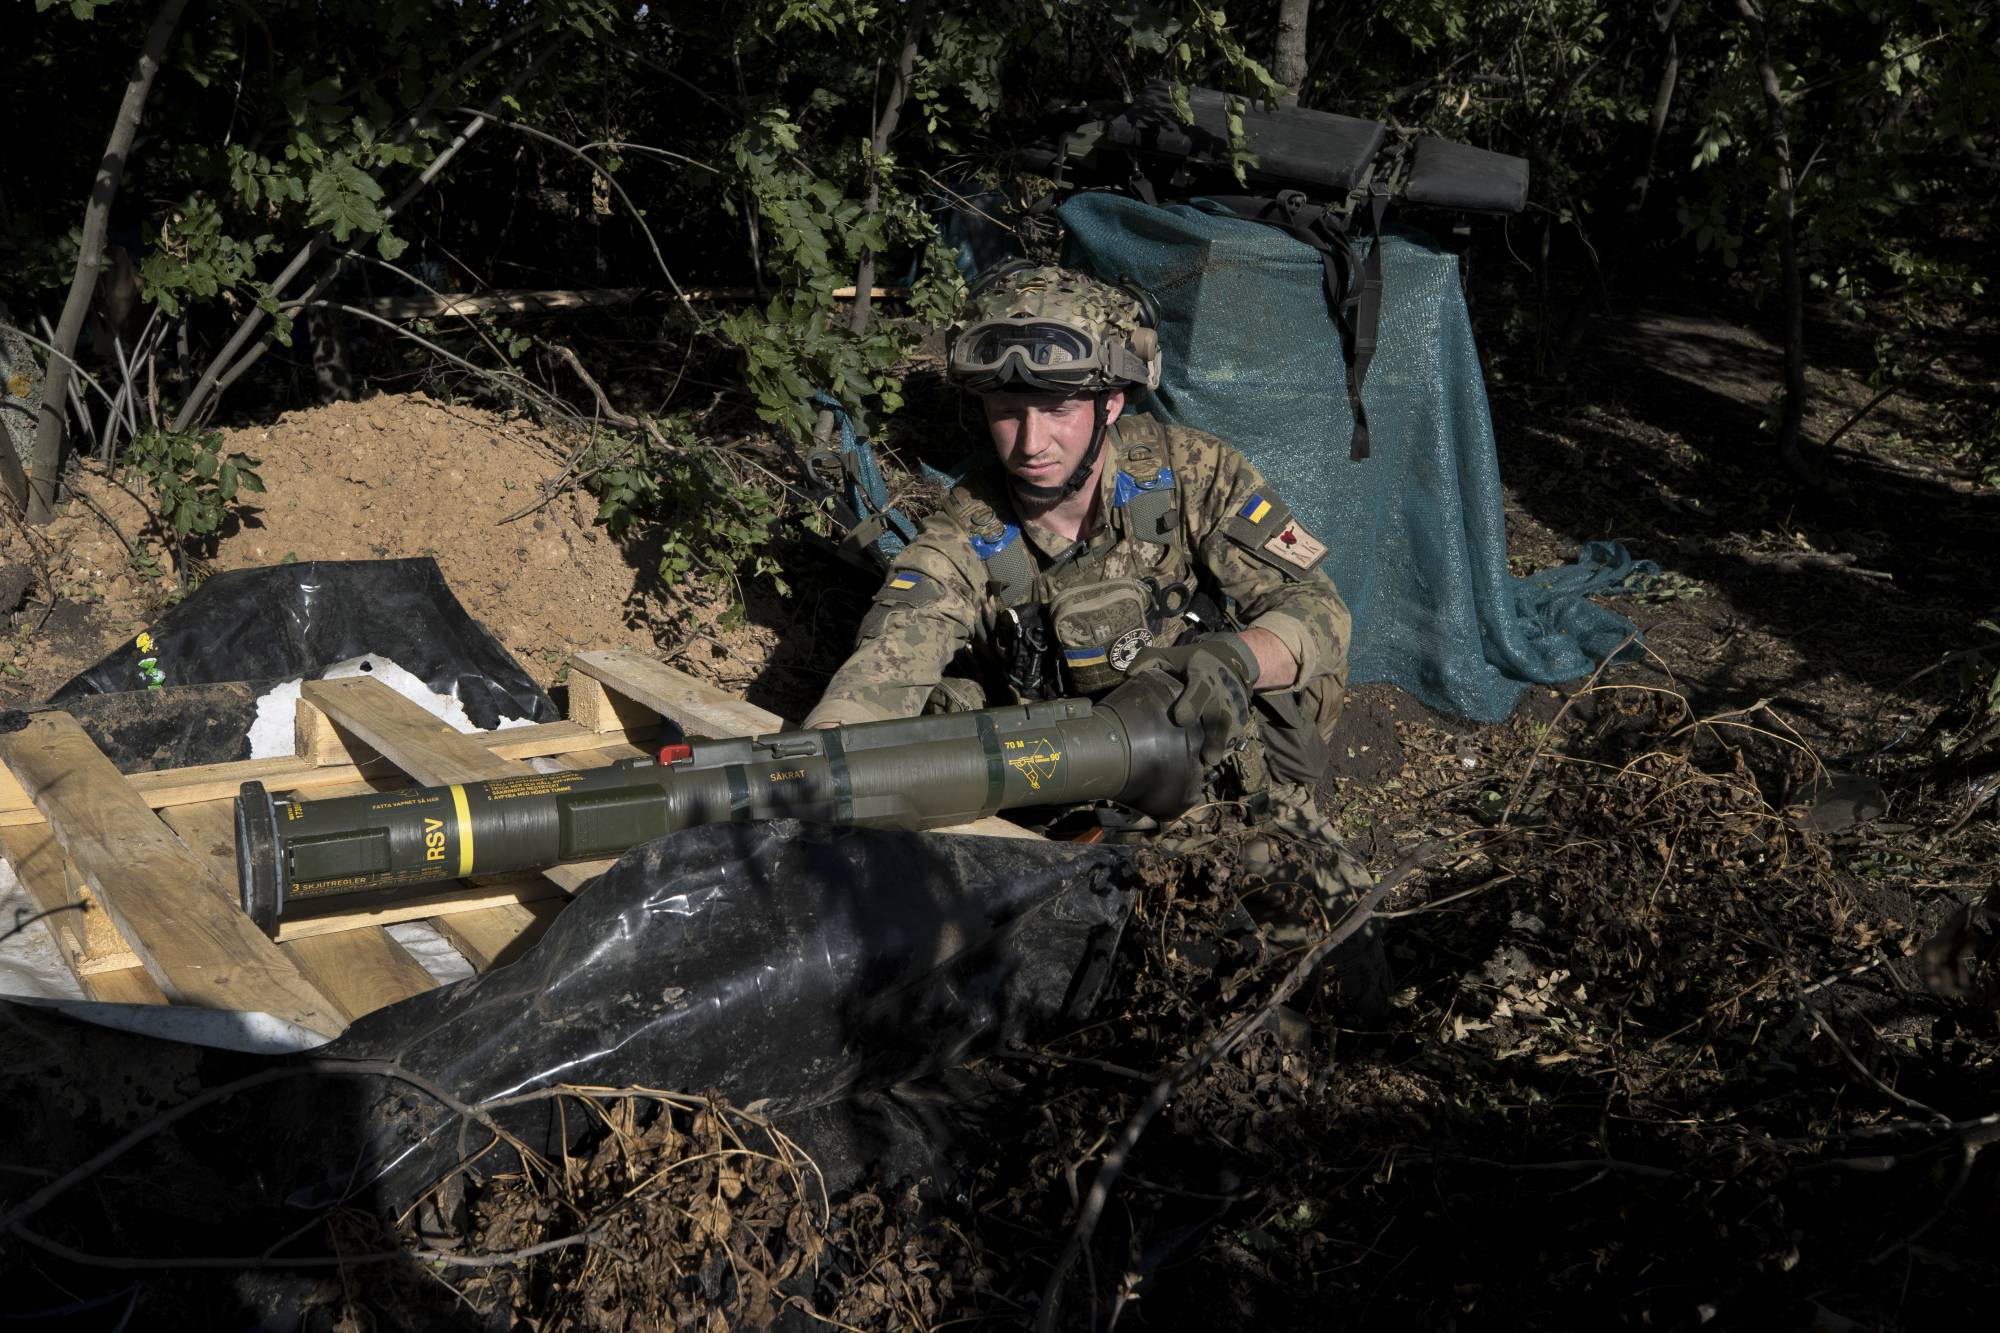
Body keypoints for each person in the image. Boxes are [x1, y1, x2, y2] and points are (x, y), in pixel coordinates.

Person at [804, 262, 1380, 994]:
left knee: (1336, 945)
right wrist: (807, 776)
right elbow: (884, 667)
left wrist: (1231, 660)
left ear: (1113, 401)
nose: (1030, 441)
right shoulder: (968, 534)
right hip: (1076, 814)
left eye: (1059, 410)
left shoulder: (1192, 473)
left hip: (1218, 787)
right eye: (1008, 410)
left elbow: (1320, 612)